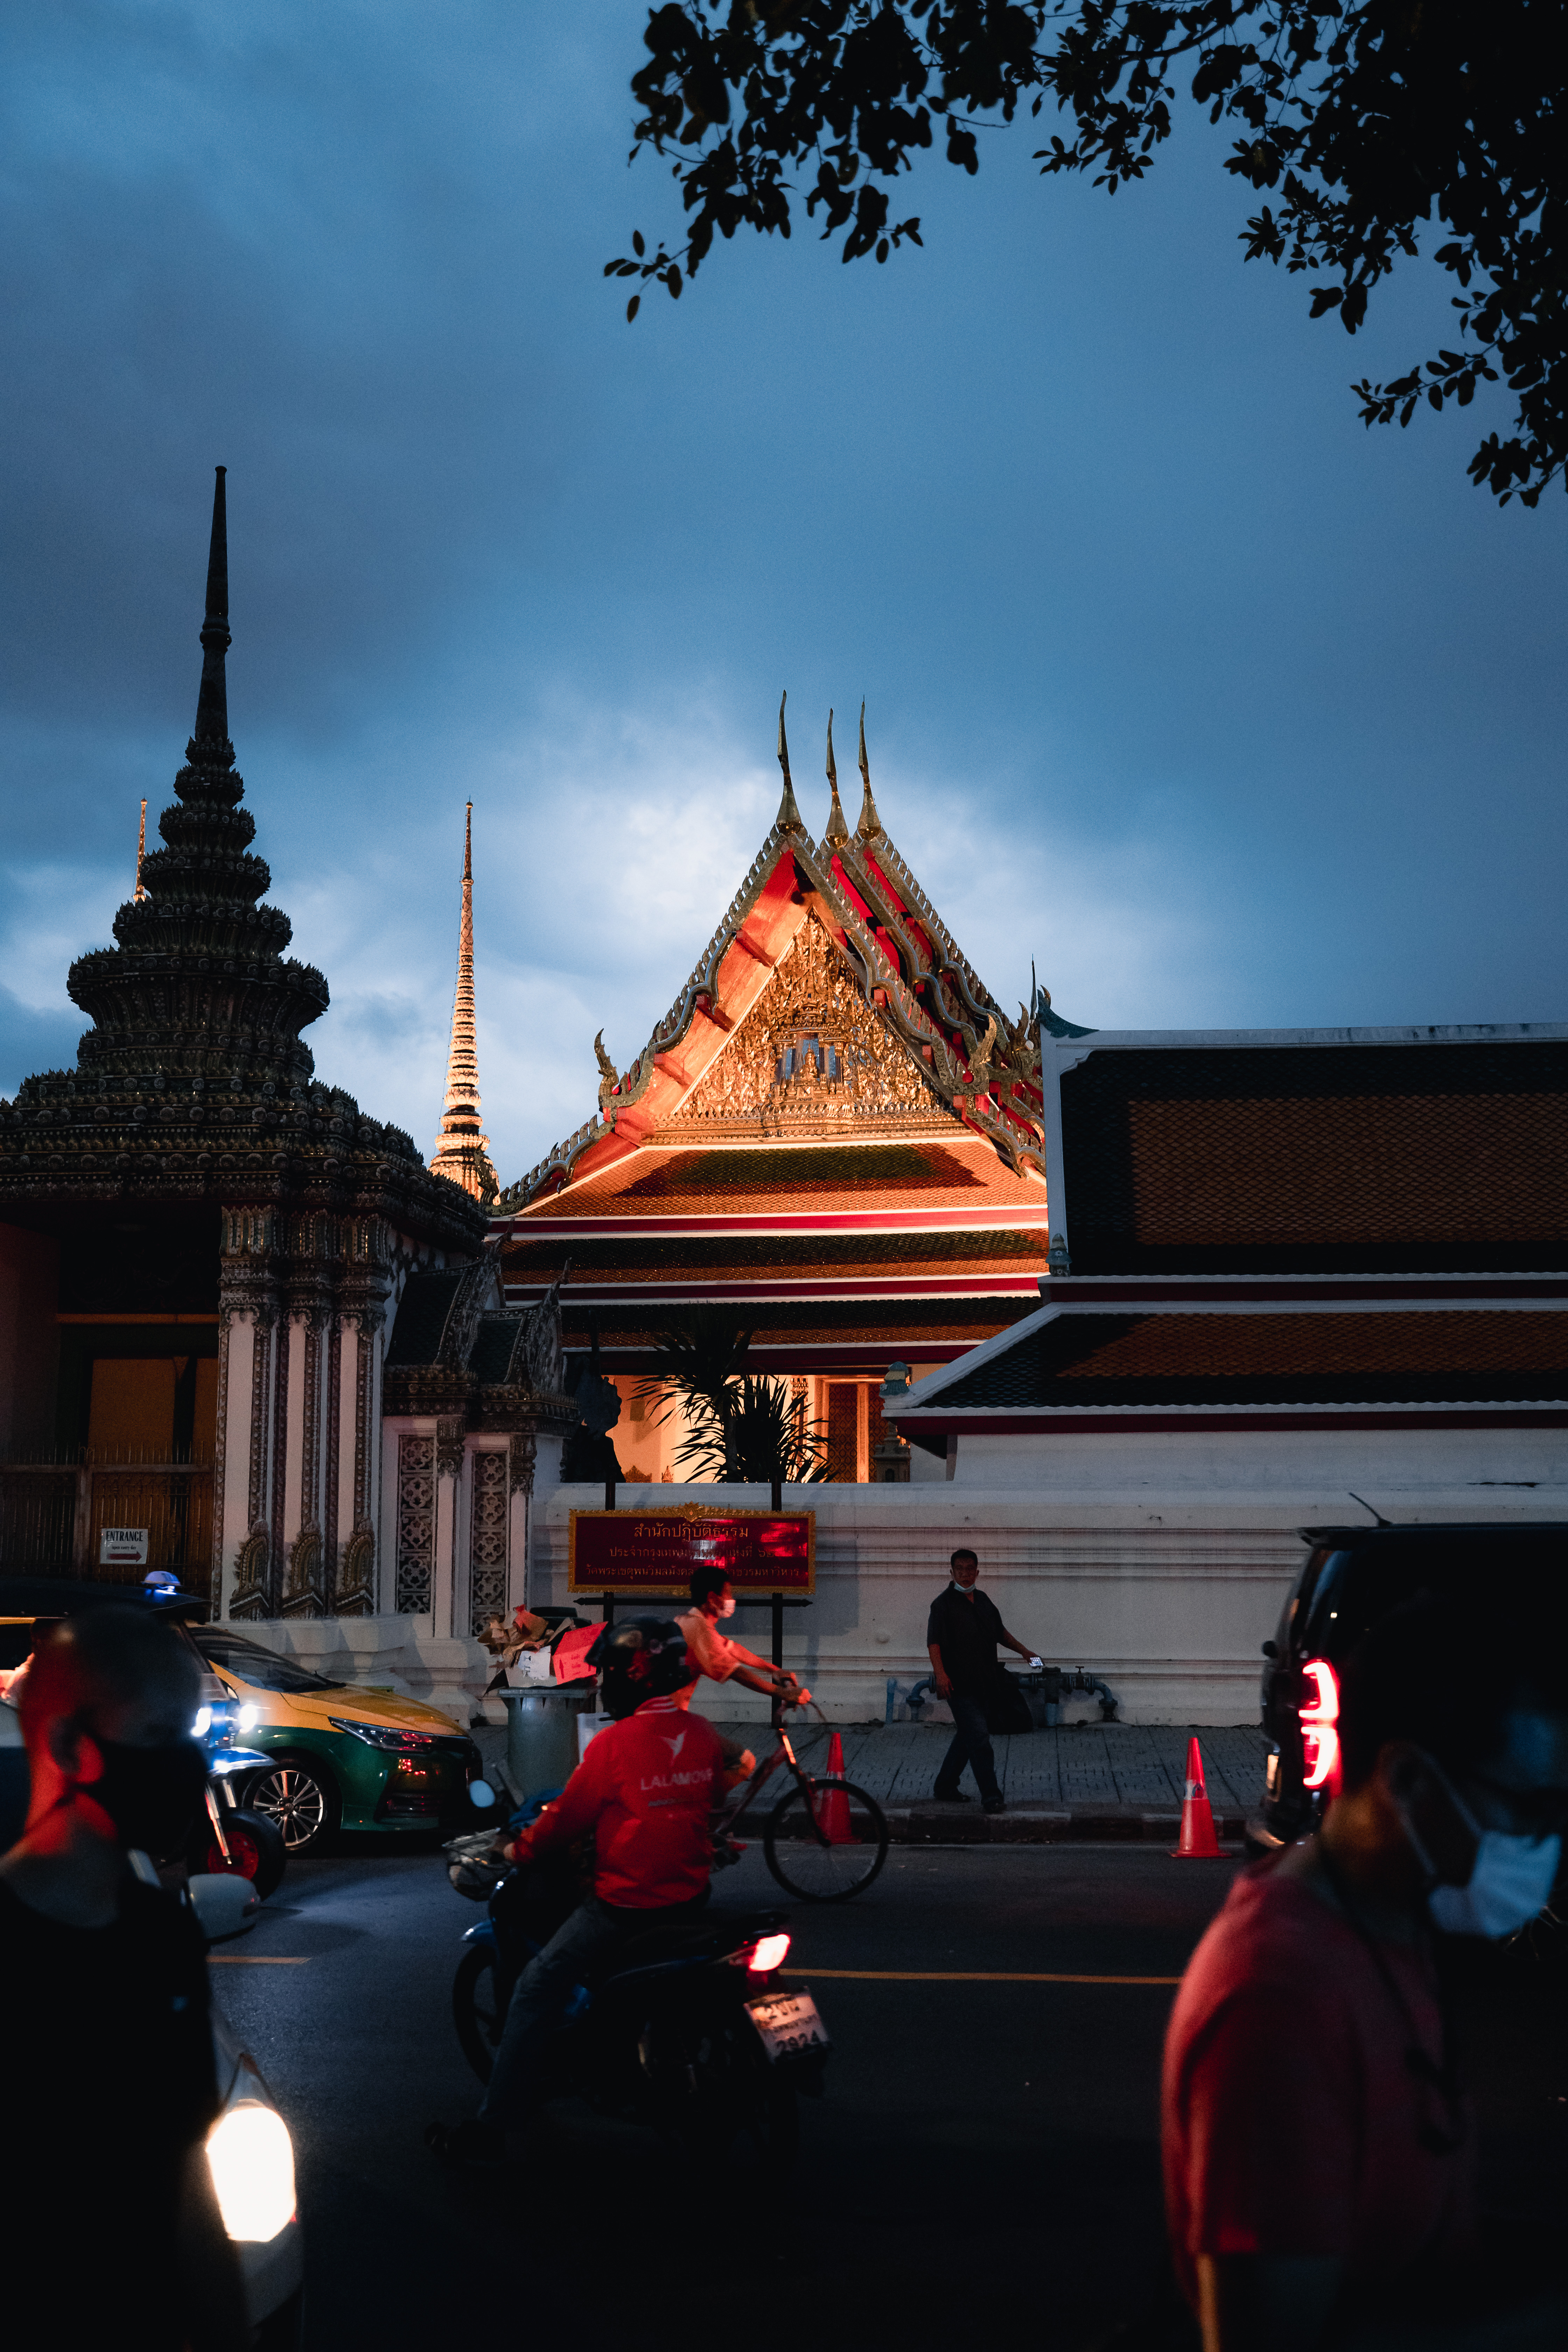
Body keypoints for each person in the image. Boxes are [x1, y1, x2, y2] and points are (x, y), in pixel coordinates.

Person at [1163, 1595, 1568, 2352]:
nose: (1546, 1839)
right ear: (1410, 1784)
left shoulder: (1398, 1918)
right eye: (1531, 1806)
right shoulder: (1278, 1998)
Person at [0, 1607, 246, 2351]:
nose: (180, 1766)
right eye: (153, 1738)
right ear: (72, 1744)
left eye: (185, 1736)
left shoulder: (162, 1934)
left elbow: (191, 2180)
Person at [427, 1616, 728, 2170]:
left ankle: (491, 2130)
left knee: (536, 1988)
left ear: (632, 1678)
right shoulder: (704, 1735)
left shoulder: (614, 1746)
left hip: (627, 1909)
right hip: (692, 1899)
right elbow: (712, 1794)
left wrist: (519, 1851)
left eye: (609, 1674)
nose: (601, 1685)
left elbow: (565, 1820)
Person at [925, 1548, 1039, 1813]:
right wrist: (940, 1675)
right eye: (960, 1569)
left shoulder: (984, 1601)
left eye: (970, 1569)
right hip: (958, 1684)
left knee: (968, 1736)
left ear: (978, 1571)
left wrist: (1025, 1652)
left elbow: (1000, 1633)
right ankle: (991, 1796)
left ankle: (945, 1785)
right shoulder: (942, 1605)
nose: (965, 1574)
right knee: (979, 1738)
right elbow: (934, 1643)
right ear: (951, 1572)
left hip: (986, 1682)